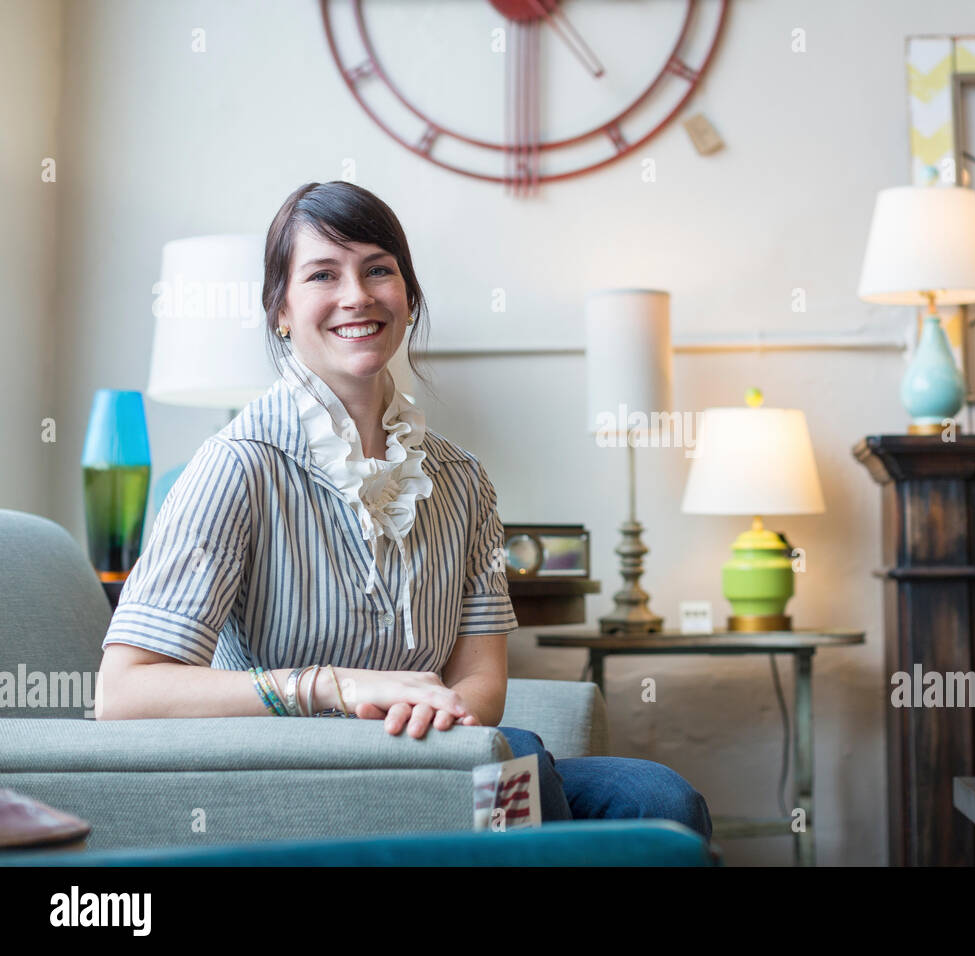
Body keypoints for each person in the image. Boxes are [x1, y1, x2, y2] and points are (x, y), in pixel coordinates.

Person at [97, 180, 711, 842]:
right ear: (280, 310)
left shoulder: (462, 479)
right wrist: (332, 686)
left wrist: (438, 725)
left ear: (408, 298)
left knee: (656, 796)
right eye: (323, 274)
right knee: (524, 767)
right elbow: (124, 694)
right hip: (286, 775)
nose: (356, 295)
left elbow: (479, 677)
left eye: (378, 270)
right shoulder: (237, 466)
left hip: (421, 758)